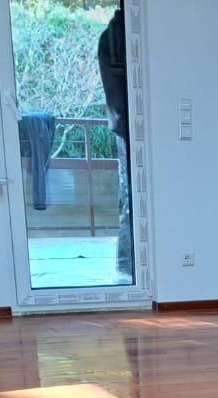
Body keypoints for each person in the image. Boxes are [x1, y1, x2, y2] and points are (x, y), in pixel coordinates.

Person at [97, 7, 133, 280]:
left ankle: (126, 263)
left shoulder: (110, 36)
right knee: (133, 198)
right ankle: (127, 263)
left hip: (123, 125)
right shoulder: (122, 36)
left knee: (130, 196)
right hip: (128, 127)